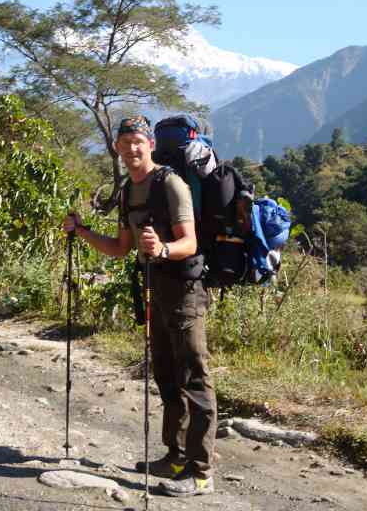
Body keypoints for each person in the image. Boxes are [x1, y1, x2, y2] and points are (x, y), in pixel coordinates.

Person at [62, 115, 217, 497]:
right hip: (156, 287)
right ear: (117, 147)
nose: (132, 148)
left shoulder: (171, 184)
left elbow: (191, 243)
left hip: (185, 289)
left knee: (195, 375)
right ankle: (176, 456)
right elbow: (119, 249)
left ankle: (201, 473)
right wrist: (80, 231)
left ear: (150, 145)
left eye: (139, 141)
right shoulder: (129, 191)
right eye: (125, 142)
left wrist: (163, 248)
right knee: (166, 374)